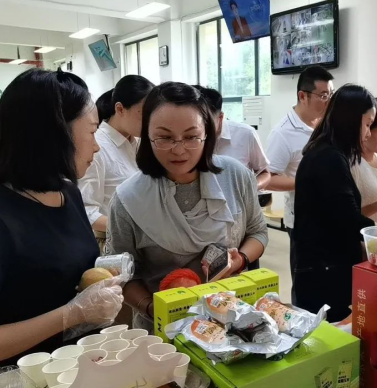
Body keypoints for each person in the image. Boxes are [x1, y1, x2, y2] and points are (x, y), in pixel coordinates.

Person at [106, 82, 268, 329]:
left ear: (207, 134)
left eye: (191, 137)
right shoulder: (129, 199)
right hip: (162, 329)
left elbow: (257, 231)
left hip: (232, 318)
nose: (179, 150)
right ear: (147, 135)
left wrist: (240, 260)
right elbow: (122, 274)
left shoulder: (235, 176)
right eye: (165, 137)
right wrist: (155, 308)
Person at [0, 69, 123, 366]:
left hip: (78, 364)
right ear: (55, 135)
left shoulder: (67, 192)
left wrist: (98, 281)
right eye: (92, 132)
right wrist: (70, 314)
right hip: (24, 376)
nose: (97, 146)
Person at [292, 84, 377, 322]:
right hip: (324, 272)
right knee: (329, 333)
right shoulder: (328, 158)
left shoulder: (327, 152)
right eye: (367, 124)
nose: (368, 133)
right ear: (351, 120)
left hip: (322, 266)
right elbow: (347, 219)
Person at [266, 65, 334, 300]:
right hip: (303, 221)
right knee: (306, 286)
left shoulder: (327, 125)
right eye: (323, 95)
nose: (328, 101)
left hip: (330, 218)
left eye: (331, 94)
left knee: (329, 283)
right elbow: (268, 178)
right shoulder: (283, 133)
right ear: (302, 96)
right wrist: (306, 183)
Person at [79, 75, 154, 251]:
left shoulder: (138, 143)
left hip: (142, 242)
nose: (150, 121)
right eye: (144, 113)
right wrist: (134, 229)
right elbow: (86, 212)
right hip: (110, 244)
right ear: (120, 109)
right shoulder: (98, 147)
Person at [193, 86, 271, 190]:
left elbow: (264, 173)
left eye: (206, 122)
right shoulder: (187, 140)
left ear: (220, 117)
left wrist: (251, 189)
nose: (199, 128)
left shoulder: (245, 134)